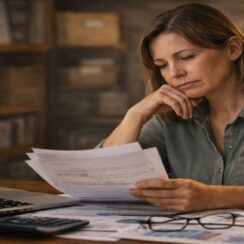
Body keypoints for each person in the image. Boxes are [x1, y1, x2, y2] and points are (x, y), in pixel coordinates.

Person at [101, 3, 244, 213]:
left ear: (233, 49)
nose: (174, 73)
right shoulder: (172, 119)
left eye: (186, 57)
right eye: (162, 65)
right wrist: (136, 114)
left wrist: (216, 197)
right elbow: (103, 176)